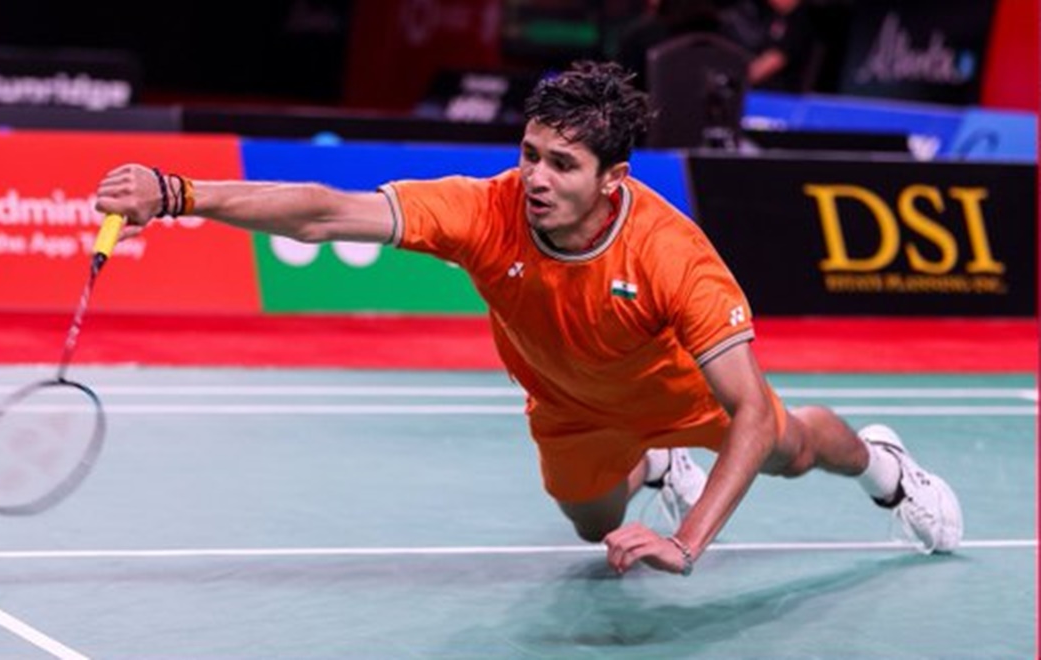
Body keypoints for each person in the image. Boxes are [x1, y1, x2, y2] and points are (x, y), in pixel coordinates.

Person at [93, 61, 962, 576]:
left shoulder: (671, 255)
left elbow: (745, 408)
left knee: (790, 447)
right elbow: (325, 211)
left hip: (679, 393)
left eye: (564, 165)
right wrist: (179, 194)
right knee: (591, 528)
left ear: (611, 178)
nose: (537, 178)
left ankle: (886, 468)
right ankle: (650, 463)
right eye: (531, 154)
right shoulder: (490, 210)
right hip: (570, 406)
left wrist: (690, 544)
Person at [717, 0, 818, 91]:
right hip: (759, 90)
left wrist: (731, 81)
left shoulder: (800, 20)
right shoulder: (774, 16)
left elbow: (771, 63)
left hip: (781, 96)